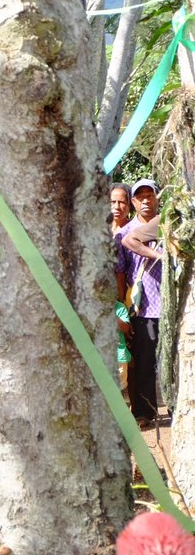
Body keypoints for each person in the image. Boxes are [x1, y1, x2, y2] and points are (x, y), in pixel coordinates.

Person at [115, 179, 163, 425]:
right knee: (143, 361)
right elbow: (121, 274)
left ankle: (177, 408)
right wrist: (123, 311)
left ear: (156, 198)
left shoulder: (169, 225)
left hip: (169, 305)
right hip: (141, 306)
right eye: (140, 197)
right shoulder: (124, 234)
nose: (146, 201)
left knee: (171, 359)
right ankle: (144, 412)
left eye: (149, 196)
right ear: (133, 202)